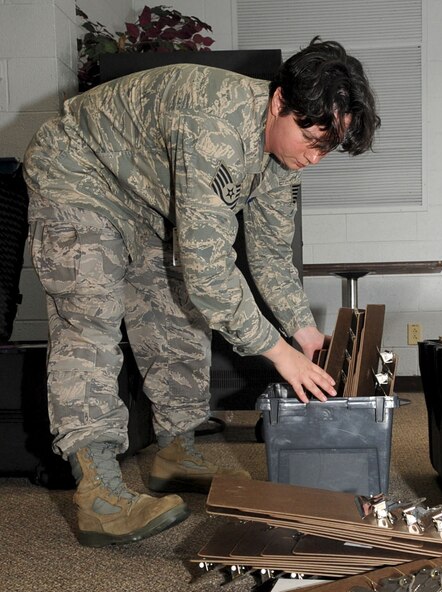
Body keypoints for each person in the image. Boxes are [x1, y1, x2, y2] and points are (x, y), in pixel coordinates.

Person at [23, 37, 380, 548]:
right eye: (310, 137)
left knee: (177, 310)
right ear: (279, 102)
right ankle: (100, 491)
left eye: (328, 146)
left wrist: (303, 333)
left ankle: (175, 452)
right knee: (91, 318)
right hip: (79, 176)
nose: (315, 157)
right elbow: (213, 274)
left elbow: (272, 256)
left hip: (147, 196)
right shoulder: (216, 126)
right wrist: (279, 355)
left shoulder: (282, 156)